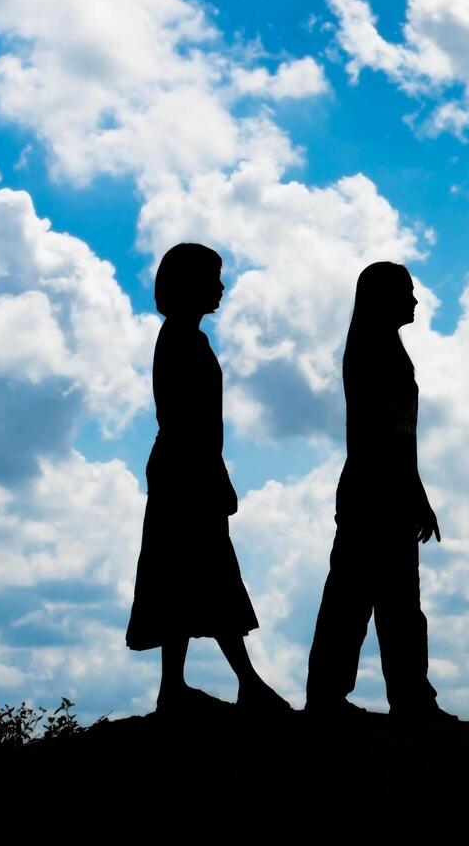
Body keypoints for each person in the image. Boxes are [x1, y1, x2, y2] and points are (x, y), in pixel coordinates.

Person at [126, 243, 290, 715]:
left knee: (185, 573)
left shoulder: (184, 337)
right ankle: (243, 683)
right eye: (213, 277)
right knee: (206, 572)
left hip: (183, 467)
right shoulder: (181, 339)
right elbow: (186, 421)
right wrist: (216, 476)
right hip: (186, 470)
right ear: (189, 284)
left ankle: (180, 686)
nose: (221, 286)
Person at [305, 261, 456, 721]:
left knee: (396, 603)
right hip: (374, 492)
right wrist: (411, 493)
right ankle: (335, 697)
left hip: (386, 490)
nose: (414, 300)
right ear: (383, 298)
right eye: (406, 292)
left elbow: (401, 437)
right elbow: (382, 437)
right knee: (357, 601)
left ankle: (407, 696)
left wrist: (418, 495)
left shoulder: (387, 349)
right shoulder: (374, 352)